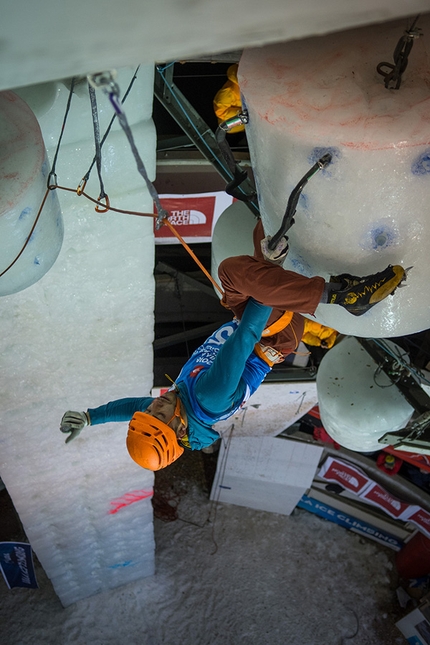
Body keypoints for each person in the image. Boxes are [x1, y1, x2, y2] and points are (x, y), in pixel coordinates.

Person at [60, 220, 406, 471]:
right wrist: (268, 273)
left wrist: (91, 417)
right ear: (180, 429)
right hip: (270, 334)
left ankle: (273, 224)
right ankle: (343, 296)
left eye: (149, 411)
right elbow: (245, 338)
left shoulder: (177, 406)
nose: (156, 404)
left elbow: (128, 407)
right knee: (234, 274)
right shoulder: (207, 397)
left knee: (264, 237)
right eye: (159, 415)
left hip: (256, 327)